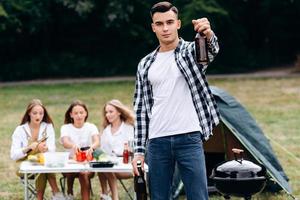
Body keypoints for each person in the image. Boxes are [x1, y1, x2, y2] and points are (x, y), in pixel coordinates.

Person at [131, 2, 220, 200]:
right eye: (160, 23)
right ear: (153, 27)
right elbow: (140, 110)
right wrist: (138, 151)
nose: (165, 28)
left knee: (198, 196)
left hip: (189, 137)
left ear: (178, 24)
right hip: (157, 141)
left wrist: (209, 34)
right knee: (159, 196)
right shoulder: (145, 64)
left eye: (170, 22)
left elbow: (209, 52)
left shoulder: (190, 52)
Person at [10, 99, 65, 200]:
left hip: (43, 163)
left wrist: (45, 148)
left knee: (41, 165)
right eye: (34, 113)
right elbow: (13, 155)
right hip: (24, 166)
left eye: (41, 113)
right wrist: (29, 148)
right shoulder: (20, 130)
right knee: (41, 163)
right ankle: (56, 192)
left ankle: (40, 198)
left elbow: (52, 149)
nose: (38, 116)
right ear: (29, 113)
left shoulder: (48, 127)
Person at [60, 100, 100, 200]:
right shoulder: (66, 127)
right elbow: (65, 142)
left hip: (86, 162)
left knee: (83, 173)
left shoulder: (91, 127)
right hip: (70, 162)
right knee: (70, 170)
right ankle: (69, 193)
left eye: (81, 112)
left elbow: (97, 141)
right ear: (71, 115)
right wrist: (73, 146)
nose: (79, 115)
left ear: (86, 113)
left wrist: (92, 147)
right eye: (76, 113)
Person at [98, 99, 135, 200]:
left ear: (119, 112)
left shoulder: (128, 128)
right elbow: (103, 152)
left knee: (107, 169)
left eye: (111, 112)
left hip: (127, 165)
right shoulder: (106, 131)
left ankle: (113, 197)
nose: (108, 115)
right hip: (112, 164)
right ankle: (106, 194)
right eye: (106, 112)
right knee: (101, 167)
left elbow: (132, 149)